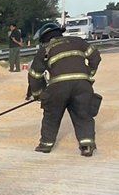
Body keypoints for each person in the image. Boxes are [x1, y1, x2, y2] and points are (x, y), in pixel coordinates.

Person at [27, 21, 102, 156]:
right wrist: (88, 74)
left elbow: (35, 75)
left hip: (58, 87)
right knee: (83, 114)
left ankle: (46, 145)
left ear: (44, 39)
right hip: (82, 85)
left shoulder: (45, 50)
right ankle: (87, 145)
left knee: (51, 115)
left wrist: (38, 94)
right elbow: (95, 57)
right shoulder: (77, 41)